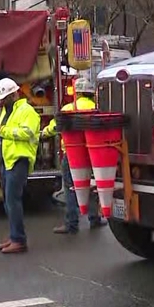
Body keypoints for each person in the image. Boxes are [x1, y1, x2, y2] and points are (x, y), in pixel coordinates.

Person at [42, 77, 105, 234]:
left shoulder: (69, 108)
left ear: (76, 93)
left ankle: (72, 223)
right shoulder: (98, 107)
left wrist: (44, 133)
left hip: (72, 154)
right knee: (90, 185)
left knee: (71, 187)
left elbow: (55, 127)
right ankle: (94, 218)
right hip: (93, 152)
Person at [0, 77, 40, 254]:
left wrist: (1, 131)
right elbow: (3, 132)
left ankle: (19, 240)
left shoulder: (27, 111)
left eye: (4, 98)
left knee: (13, 200)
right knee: (8, 201)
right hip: (7, 162)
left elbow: (27, 132)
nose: (1, 101)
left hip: (19, 161)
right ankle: (13, 235)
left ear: (14, 95)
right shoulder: (7, 111)